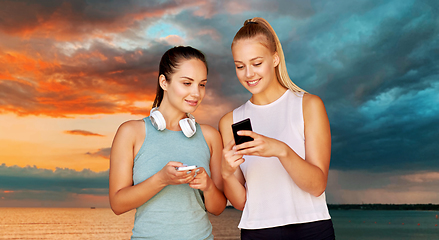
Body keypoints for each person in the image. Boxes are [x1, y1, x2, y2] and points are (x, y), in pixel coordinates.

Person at [219, 17, 335, 239]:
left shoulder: (309, 105)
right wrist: (226, 174)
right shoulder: (229, 122)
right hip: (257, 232)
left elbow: (317, 185)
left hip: (311, 228)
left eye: (256, 63)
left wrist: (281, 150)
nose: (249, 74)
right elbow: (241, 202)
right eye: (240, 66)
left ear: (274, 59)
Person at [109, 46, 226, 239]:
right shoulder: (130, 132)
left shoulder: (211, 137)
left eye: (202, 84)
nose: (196, 93)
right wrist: (161, 180)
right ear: (164, 82)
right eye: (187, 83)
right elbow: (117, 204)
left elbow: (218, 208)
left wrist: (208, 186)